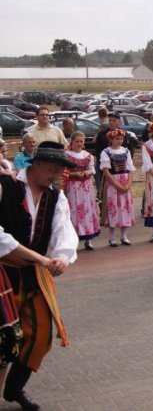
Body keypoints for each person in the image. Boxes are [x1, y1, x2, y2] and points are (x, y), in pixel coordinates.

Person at [0, 142, 77, 410]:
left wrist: (62, 257)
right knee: (4, 338)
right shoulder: (6, 186)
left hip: (34, 276)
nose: (56, 175)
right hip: (3, 274)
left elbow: (63, 230)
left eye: (59, 171)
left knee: (41, 334)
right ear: (37, 165)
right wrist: (42, 259)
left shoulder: (56, 197)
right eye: (54, 169)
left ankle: (14, 388)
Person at [64, 131, 100, 250]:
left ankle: (88, 239)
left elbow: (92, 169)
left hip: (86, 187)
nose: (79, 144)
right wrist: (74, 173)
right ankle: (74, 240)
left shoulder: (88, 155)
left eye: (81, 141)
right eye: (77, 141)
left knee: (87, 210)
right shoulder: (66, 155)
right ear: (72, 142)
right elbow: (63, 172)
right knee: (74, 211)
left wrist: (87, 172)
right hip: (72, 186)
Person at [100, 128, 135, 246]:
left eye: (121, 139)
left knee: (125, 207)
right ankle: (111, 236)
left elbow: (130, 169)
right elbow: (106, 171)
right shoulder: (106, 152)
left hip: (125, 181)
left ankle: (124, 235)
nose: (119, 141)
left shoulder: (126, 151)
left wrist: (128, 184)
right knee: (113, 208)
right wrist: (116, 185)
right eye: (116, 139)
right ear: (111, 139)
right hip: (113, 183)